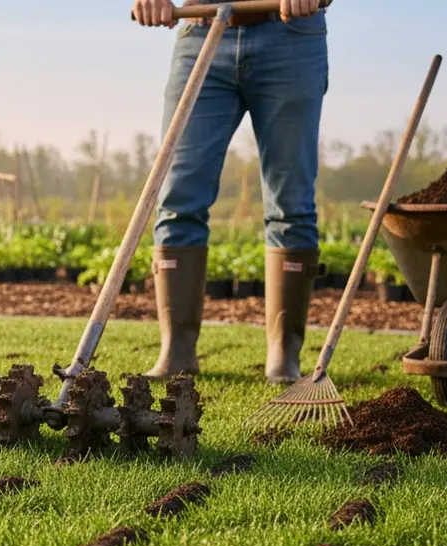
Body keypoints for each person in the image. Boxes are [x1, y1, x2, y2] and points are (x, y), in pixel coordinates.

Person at [132, 0, 331, 384]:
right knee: (177, 198)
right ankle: (176, 351)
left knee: (291, 203)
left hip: (290, 34)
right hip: (200, 30)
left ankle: (283, 355)